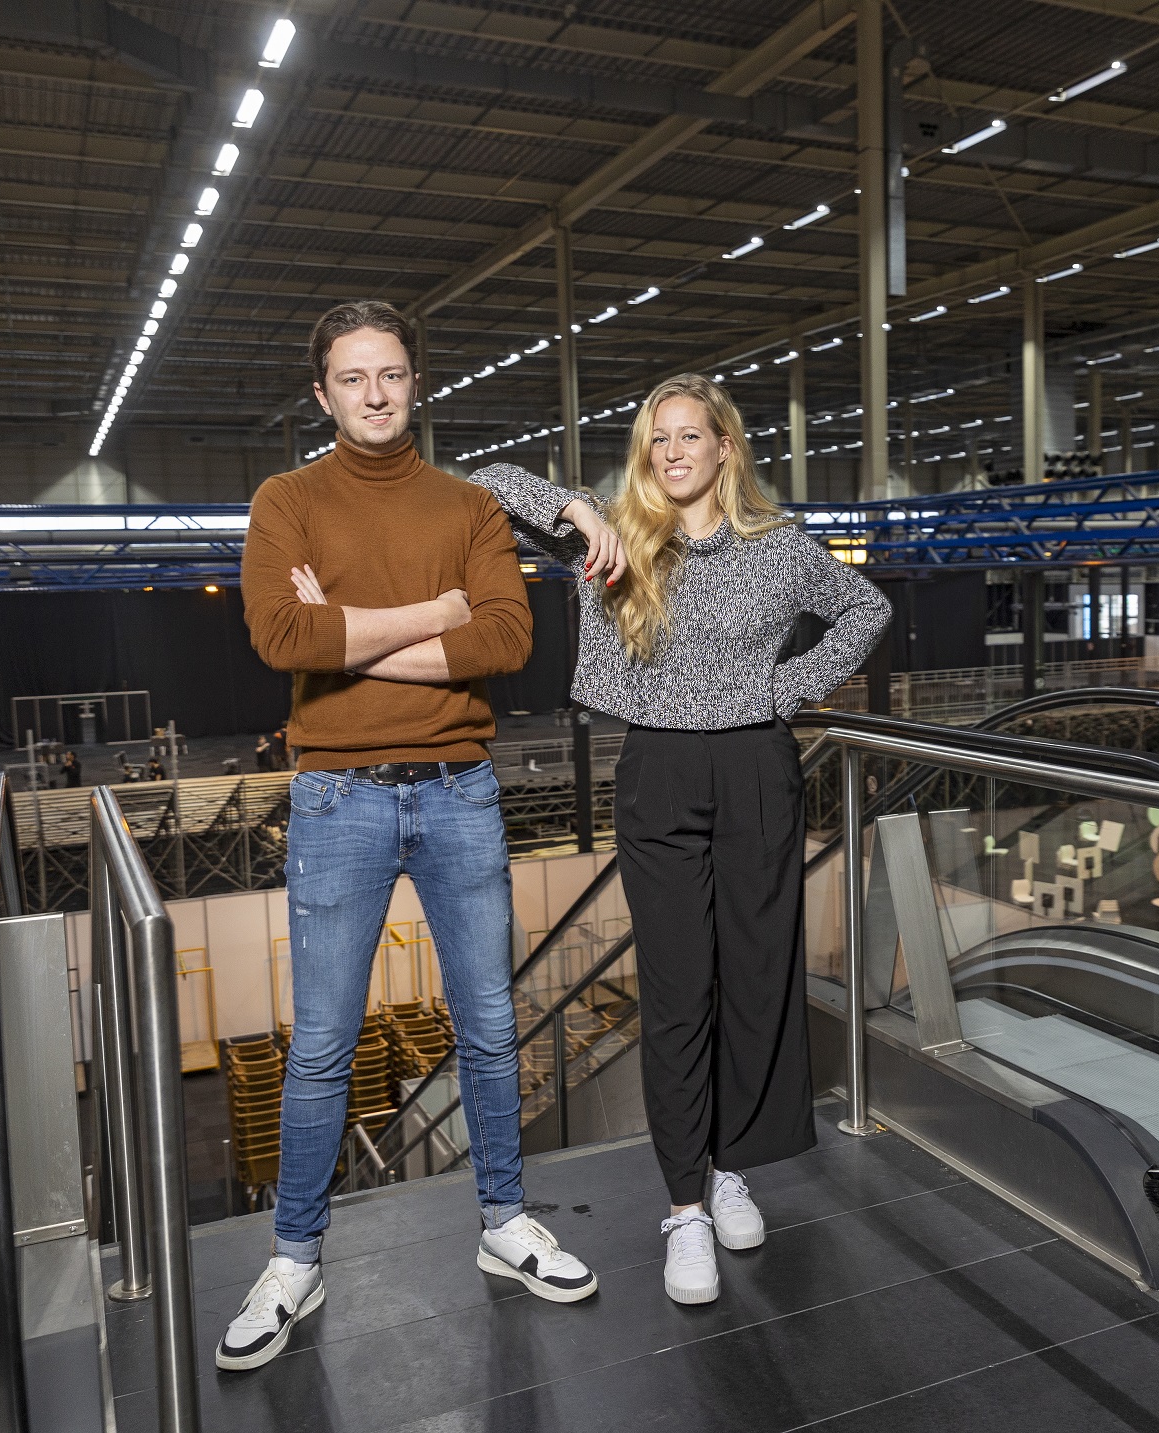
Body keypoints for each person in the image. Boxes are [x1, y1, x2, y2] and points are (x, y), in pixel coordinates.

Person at [302, 373, 889, 1305]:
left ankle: (732, 1167)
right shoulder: (615, 533)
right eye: (658, 438)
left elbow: (867, 609)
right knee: (677, 990)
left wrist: (788, 688)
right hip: (659, 770)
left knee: (755, 979)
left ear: (725, 447)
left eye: (690, 435)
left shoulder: (780, 548)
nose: (673, 452)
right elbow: (486, 484)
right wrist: (578, 506)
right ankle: (684, 1206)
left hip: (757, 769)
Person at [228, 299, 596, 1374]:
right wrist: (435, 613)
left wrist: (345, 637)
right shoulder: (286, 499)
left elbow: (507, 637)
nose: (375, 393)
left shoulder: (468, 503)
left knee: (489, 1022)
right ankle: (294, 1258)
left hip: (457, 792)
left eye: (390, 373)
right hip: (336, 798)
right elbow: (280, 634)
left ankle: (504, 1221)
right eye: (353, 377)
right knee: (323, 1044)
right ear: (323, 393)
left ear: (415, 383)